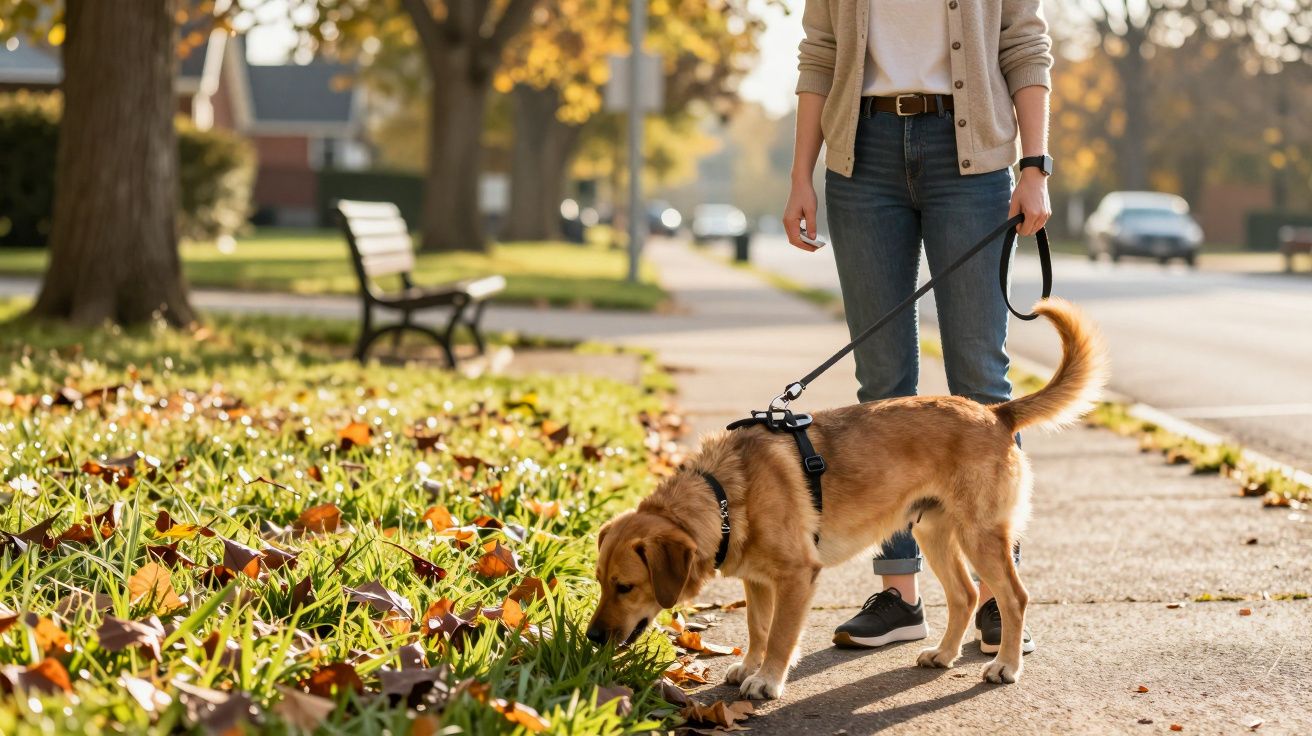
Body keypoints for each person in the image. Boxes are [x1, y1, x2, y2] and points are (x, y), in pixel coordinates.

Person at [783, 0, 1054, 654]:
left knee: (982, 379)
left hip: (972, 153)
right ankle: (900, 594)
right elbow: (820, 51)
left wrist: (1035, 164)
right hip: (862, 154)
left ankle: (994, 594)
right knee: (880, 387)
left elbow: (1024, 43)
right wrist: (800, 174)